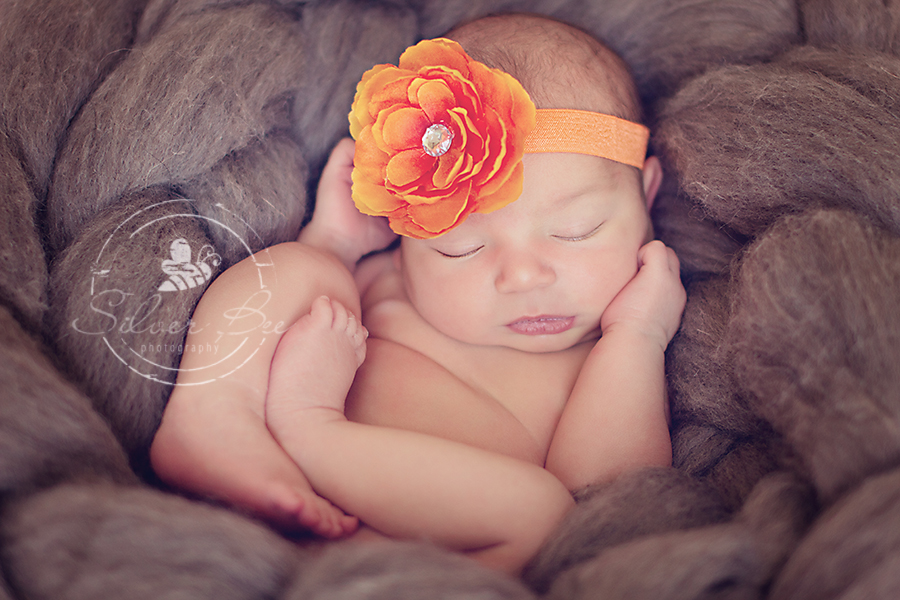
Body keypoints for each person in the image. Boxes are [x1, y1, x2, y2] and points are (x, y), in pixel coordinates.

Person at [150, 13, 686, 574]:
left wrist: (637, 338)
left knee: (545, 515)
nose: (523, 278)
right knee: (303, 270)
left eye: (576, 231)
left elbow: (609, 498)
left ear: (646, 195)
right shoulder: (381, 284)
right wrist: (333, 243)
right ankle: (209, 413)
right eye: (460, 247)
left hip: (416, 558)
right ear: (403, 230)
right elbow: (276, 301)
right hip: (266, 479)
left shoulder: (603, 355)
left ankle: (309, 430)